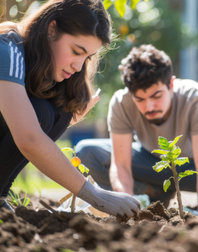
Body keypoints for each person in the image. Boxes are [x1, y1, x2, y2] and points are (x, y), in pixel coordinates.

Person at [75, 44, 198, 215]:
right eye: (140, 99)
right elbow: (121, 165)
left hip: (196, 165)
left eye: (156, 96)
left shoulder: (195, 97)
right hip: (151, 164)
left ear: (170, 84)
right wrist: (128, 207)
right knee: (87, 152)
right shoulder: (121, 102)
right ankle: (151, 196)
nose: (149, 106)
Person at [0, 0, 140, 216]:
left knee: (52, 111)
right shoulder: (7, 50)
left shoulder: (34, 65)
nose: (78, 66)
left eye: (87, 57)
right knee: (40, 116)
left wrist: (67, 118)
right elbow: (29, 138)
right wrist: (95, 194)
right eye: (76, 51)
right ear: (52, 29)